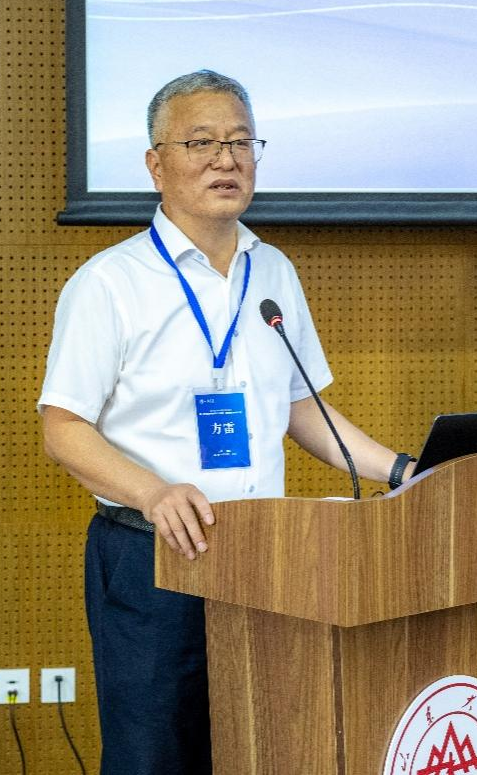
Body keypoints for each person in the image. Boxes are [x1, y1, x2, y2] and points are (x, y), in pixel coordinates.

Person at [38, 70, 417, 775]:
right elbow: (62, 427)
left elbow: (299, 407)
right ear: (156, 164)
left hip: (266, 555)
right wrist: (152, 491)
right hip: (156, 554)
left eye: (242, 142)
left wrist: (401, 470)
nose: (226, 159)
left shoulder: (271, 271)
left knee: (263, 747)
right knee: (155, 756)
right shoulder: (109, 283)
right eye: (202, 142)